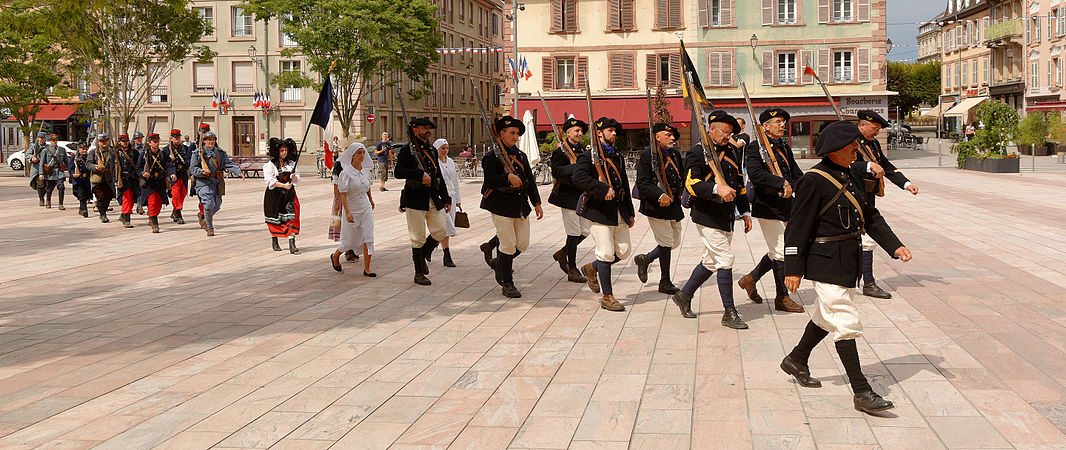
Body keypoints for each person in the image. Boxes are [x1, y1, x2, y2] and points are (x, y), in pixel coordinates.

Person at [781, 120, 912, 414]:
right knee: (845, 320)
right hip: (823, 261)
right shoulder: (813, 180)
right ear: (837, 149)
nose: (857, 148)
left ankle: (797, 359)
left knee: (827, 316)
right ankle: (862, 391)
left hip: (846, 260)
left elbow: (870, 216)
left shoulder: (849, 174)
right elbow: (796, 228)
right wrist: (793, 268)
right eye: (853, 145)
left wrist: (895, 245)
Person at [671, 112, 753, 326]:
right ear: (712, 130)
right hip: (706, 215)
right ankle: (729, 312)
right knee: (725, 260)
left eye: (730, 133)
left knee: (711, 261)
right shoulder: (696, 152)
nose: (728, 136)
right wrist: (717, 188)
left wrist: (745, 212)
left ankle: (684, 295)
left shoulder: (733, 151)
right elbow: (691, 184)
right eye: (724, 132)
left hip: (726, 216)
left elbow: (740, 184)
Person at [738, 108, 806, 314]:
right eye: (777, 121)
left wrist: (806, 186)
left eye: (783, 121)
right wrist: (781, 183)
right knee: (781, 252)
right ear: (765, 126)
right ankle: (782, 297)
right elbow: (756, 175)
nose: (782, 125)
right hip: (767, 206)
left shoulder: (783, 146)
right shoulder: (754, 148)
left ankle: (750, 279)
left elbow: (795, 173)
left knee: (778, 250)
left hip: (787, 205)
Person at [852, 110, 920, 299]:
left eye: (879, 130)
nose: (877, 133)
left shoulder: (872, 144)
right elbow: (847, 164)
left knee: (865, 241)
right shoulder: (851, 141)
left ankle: (866, 281)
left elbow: (886, 166)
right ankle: (867, 282)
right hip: (852, 196)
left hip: (867, 196)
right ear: (862, 125)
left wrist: (906, 184)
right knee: (864, 241)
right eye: (874, 129)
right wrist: (867, 166)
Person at [573, 117, 634, 312]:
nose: (614, 133)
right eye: (610, 130)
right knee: (606, 253)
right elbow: (579, 177)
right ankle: (607, 297)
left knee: (623, 251)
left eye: (615, 130)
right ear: (599, 133)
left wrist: (630, 212)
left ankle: (591, 267)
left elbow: (624, 183)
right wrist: (601, 188)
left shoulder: (616, 155)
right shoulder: (588, 156)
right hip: (598, 211)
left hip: (618, 209)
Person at [479, 116, 543, 298]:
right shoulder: (491, 157)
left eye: (517, 133)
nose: (515, 136)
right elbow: (489, 180)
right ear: (501, 134)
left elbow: (529, 181)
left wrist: (536, 202)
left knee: (522, 243)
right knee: (507, 245)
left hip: (520, 206)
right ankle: (507, 284)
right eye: (512, 133)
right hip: (500, 206)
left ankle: (500, 263)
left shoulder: (521, 156)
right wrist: (507, 178)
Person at [395, 117, 451, 286]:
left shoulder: (432, 150)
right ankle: (419, 272)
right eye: (424, 127)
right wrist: (419, 175)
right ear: (415, 129)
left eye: (429, 127)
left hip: (433, 196)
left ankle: (424, 254)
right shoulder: (408, 150)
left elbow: (438, 175)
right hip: (415, 197)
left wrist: (446, 197)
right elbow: (398, 172)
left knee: (441, 230)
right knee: (417, 237)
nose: (427, 130)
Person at [633, 123, 685, 295]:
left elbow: (682, 177)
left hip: (674, 205)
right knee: (666, 242)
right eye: (668, 135)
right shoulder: (648, 156)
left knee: (674, 242)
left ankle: (646, 259)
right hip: (656, 206)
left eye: (672, 135)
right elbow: (643, 182)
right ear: (657, 137)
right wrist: (658, 195)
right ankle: (665, 281)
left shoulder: (675, 154)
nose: (672, 138)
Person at [545, 117, 590, 283]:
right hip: (567, 196)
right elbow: (557, 171)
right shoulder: (559, 152)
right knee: (573, 232)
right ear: (568, 133)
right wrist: (575, 166)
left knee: (585, 231)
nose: (579, 133)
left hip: (582, 196)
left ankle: (562, 253)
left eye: (581, 131)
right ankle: (572, 269)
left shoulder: (584, 152)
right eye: (576, 131)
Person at [330, 142, 376, 277]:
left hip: (365, 207)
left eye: (363, 153)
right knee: (349, 241)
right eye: (359, 153)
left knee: (368, 236)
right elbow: (343, 194)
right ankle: (335, 256)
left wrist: (371, 199)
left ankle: (367, 268)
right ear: (352, 155)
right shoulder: (346, 173)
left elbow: (367, 188)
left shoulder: (366, 172)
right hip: (352, 207)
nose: (362, 156)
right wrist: (347, 211)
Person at [190, 131, 244, 236]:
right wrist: (202, 171)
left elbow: (228, 164)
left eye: (213, 139)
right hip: (203, 182)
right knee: (209, 203)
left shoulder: (220, 153)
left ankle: (205, 218)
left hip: (217, 181)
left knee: (217, 205)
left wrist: (238, 172)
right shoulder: (197, 153)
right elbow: (192, 169)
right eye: (208, 139)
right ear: (204, 141)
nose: (211, 142)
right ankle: (209, 227)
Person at [264, 138, 302, 252]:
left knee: (291, 216)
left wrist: (294, 177)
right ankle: (274, 239)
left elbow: (297, 179)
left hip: (289, 195)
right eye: (282, 150)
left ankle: (292, 243)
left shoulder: (291, 164)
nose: (284, 153)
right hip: (275, 195)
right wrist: (283, 185)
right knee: (275, 218)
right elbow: (269, 181)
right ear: (277, 152)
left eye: (286, 150)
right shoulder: (270, 165)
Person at [136, 133, 171, 233]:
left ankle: (152, 218)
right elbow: (138, 168)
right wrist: (143, 173)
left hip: (160, 182)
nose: (156, 143)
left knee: (159, 204)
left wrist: (171, 174)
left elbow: (169, 165)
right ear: (149, 143)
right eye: (154, 142)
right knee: (152, 202)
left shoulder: (163, 154)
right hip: (149, 183)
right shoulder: (144, 154)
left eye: (157, 141)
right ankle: (155, 223)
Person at [435, 138, 461, 268]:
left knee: (444, 227)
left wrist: (458, 199)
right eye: (442, 148)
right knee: (445, 227)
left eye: (447, 148)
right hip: (439, 198)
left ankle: (429, 248)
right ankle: (447, 255)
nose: (445, 151)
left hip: (451, 196)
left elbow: (455, 181)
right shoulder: (434, 162)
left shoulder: (450, 161)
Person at [86, 133, 116, 223]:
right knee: (100, 196)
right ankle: (102, 214)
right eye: (102, 141)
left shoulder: (112, 151)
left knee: (109, 196)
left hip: (109, 177)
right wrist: (95, 167)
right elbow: (88, 164)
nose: (104, 143)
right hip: (98, 177)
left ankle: (104, 210)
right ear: (98, 142)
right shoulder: (94, 152)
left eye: (106, 141)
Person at [114, 134, 141, 228]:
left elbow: (138, 166)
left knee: (131, 199)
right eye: (123, 141)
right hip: (123, 180)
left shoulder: (134, 153)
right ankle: (127, 219)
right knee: (126, 199)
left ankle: (123, 215)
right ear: (119, 142)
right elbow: (114, 168)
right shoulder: (116, 153)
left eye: (126, 141)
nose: (125, 143)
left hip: (133, 179)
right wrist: (116, 180)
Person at [165, 129, 191, 224]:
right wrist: (169, 158)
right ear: (171, 138)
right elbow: (165, 163)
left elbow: (188, 159)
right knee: (175, 195)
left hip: (183, 174)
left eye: (178, 137)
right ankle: (179, 213)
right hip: (173, 175)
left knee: (183, 194)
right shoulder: (166, 149)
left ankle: (175, 211)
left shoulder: (184, 148)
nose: (177, 139)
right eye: (175, 137)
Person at [38, 134, 69, 210]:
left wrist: (70, 170)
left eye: (55, 140)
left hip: (59, 171)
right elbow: (42, 162)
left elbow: (66, 161)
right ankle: (48, 201)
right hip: (50, 172)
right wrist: (41, 173)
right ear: (50, 141)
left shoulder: (62, 149)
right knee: (49, 189)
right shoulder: (46, 150)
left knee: (61, 187)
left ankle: (61, 204)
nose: (54, 142)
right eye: (53, 140)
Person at [69, 142, 92, 217]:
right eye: (83, 149)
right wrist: (73, 174)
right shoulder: (75, 157)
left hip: (88, 178)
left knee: (87, 194)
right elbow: (70, 168)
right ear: (79, 149)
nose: (84, 150)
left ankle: (82, 209)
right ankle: (84, 209)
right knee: (82, 195)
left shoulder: (90, 157)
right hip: (78, 179)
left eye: (86, 149)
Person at [27, 131, 48, 206]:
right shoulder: (33, 146)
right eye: (40, 138)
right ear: (38, 138)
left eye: (43, 138)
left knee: (47, 185)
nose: (41, 139)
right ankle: (41, 199)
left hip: (46, 168)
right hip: (37, 168)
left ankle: (44, 196)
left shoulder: (47, 147)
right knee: (40, 184)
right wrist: (32, 158)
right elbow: (27, 154)